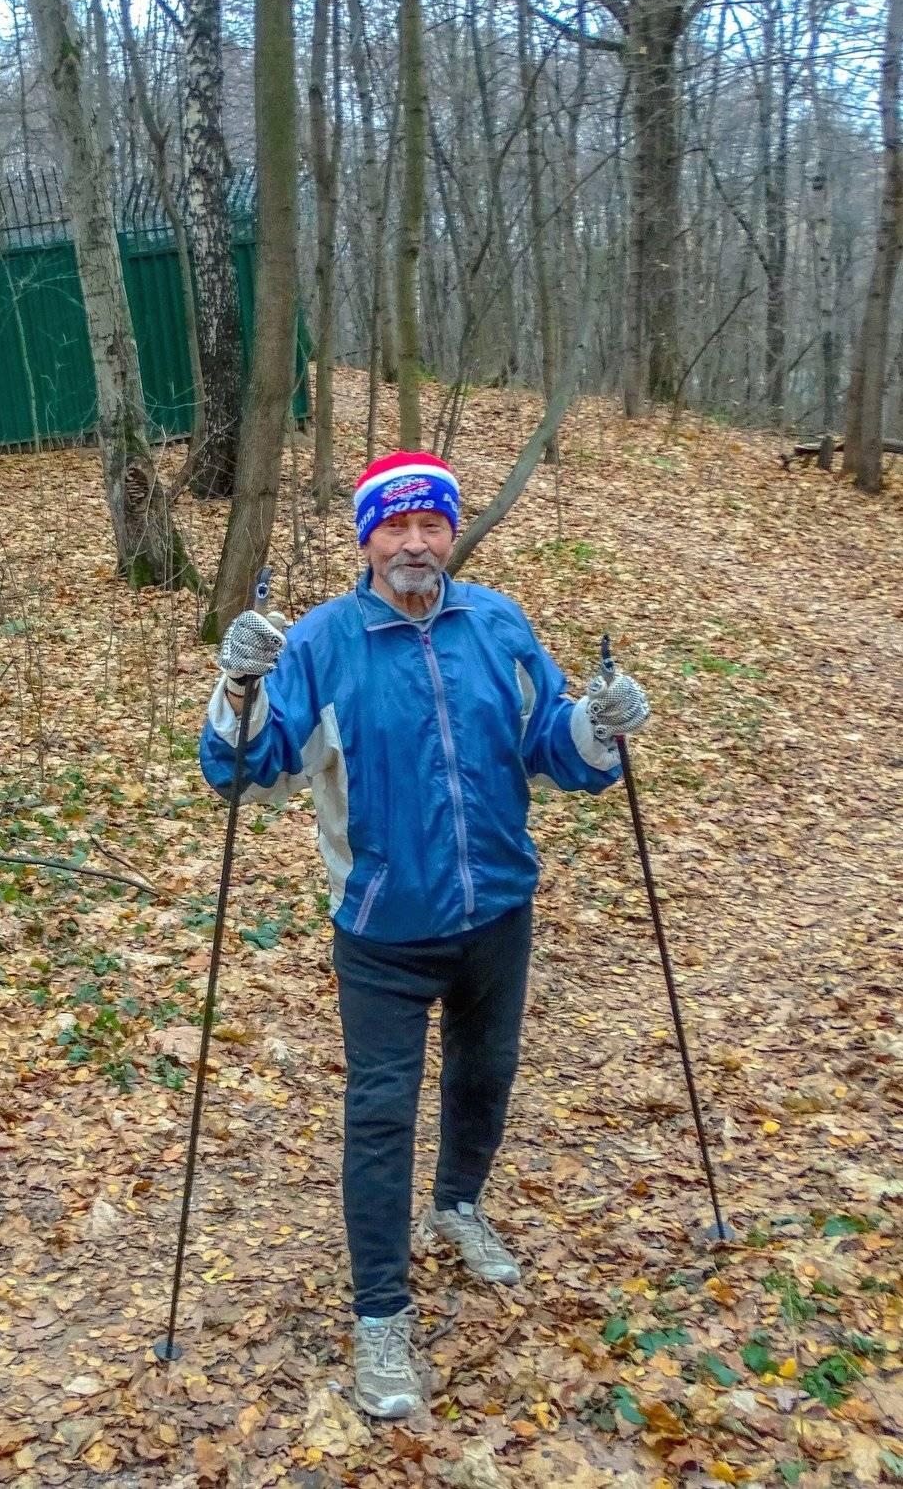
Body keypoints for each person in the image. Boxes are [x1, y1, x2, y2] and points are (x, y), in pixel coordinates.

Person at [199, 451, 650, 1419]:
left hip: (498, 910)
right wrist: (238, 689)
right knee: (379, 1117)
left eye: (430, 525)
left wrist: (599, 722)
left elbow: (549, 745)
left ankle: (457, 1206)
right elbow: (251, 772)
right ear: (367, 539)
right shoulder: (322, 643)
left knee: (486, 1076)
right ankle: (380, 1316)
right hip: (383, 929)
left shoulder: (497, 623)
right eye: (394, 527)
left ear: (450, 532)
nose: (414, 543)